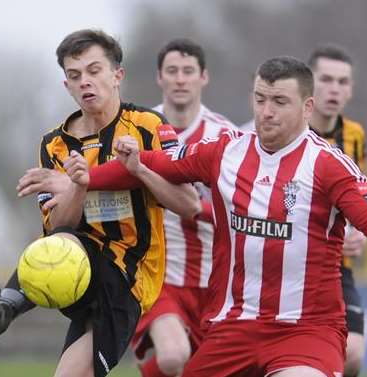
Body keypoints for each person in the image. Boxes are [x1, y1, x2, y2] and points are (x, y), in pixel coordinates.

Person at [18, 56, 367, 377]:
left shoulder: (328, 164)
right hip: (233, 328)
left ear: (306, 106)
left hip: (306, 329)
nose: (266, 111)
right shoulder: (225, 150)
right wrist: (79, 180)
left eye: (279, 102)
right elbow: (151, 164)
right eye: (260, 98)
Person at [0, 29, 199, 377]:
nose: (85, 82)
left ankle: (7, 308)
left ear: (117, 75)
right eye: (75, 76)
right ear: (66, 85)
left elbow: (190, 203)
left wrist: (139, 170)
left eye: (94, 71)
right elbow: (59, 227)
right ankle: (0, 313)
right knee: (59, 246)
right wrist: (77, 186)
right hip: (77, 265)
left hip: (128, 275)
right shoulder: (55, 145)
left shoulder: (148, 126)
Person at [131, 38, 235, 377]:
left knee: (202, 368)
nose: (180, 79)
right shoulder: (138, 128)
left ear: (203, 77)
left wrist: (199, 210)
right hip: (158, 272)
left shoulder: (226, 136)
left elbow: (242, 206)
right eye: (172, 71)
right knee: (174, 355)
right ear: (159, 77)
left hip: (215, 277)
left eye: (188, 71)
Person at [307, 45, 367, 377]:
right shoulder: (288, 133)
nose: (334, 89)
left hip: (336, 269)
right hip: (288, 267)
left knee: (353, 355)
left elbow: (357, 194)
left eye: (343, 82)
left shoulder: (354, 135)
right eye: (326, 79)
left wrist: (360, 230)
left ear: (351, 89)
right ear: (308, 83)